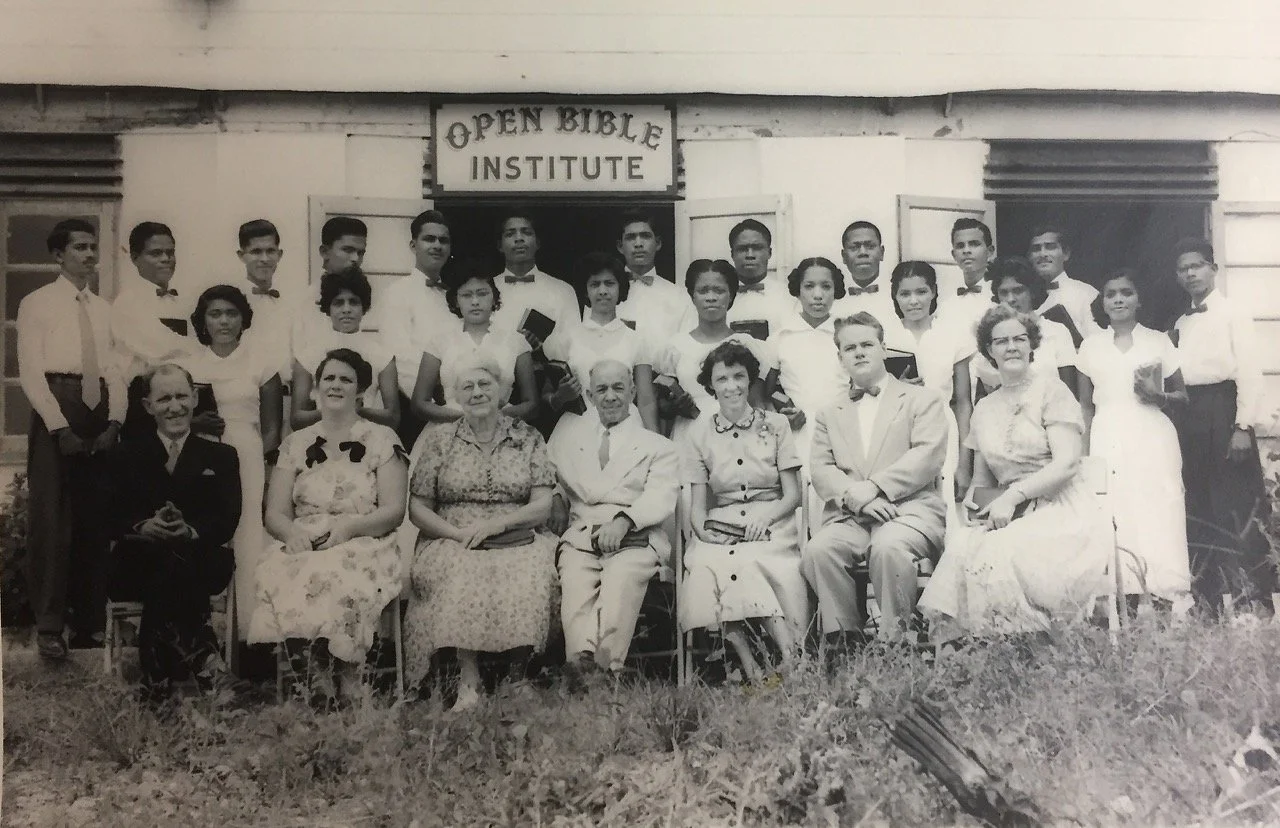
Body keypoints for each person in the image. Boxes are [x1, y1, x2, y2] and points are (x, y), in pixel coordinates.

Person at [918, 306, 1111, 639]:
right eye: (1001, 341)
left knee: (1000, 550)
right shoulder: (984, 408)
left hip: (1062, 509)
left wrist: (1014, 496)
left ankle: (1024, 646)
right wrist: (976, 508)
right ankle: (979, 650)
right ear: (989, 351)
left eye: (1020, 339)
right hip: (1008, 512)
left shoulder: (1052, 390)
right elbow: (981, 480)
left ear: (1031, 346)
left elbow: (1067, 463)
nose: (1011, 347)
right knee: (962, 546)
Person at [249, 349, 408, 707]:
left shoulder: (383, 439)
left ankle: (350, 677)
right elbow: (274, 513)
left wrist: (350, 530)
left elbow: (395, 510)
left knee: (339, 571)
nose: (336, 385)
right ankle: (316, 680)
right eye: (329, 379)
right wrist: (292, 534)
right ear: (316, 389)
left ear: (361, 392)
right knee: (287, 568)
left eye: (346, 379)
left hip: (365, 538)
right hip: (305, 538)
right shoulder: (294, 443)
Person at [403, 353, 558, 710]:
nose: (477, 392)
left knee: (533, 567)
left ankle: (517, 677)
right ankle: (468, 682)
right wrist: (457, 535)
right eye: (468, 386)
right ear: (456, 395)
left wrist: (498, 524)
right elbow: (418, 507)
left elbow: (542, 505)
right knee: (459, 568)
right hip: (451, 535)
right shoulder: (440, 440)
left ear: (502, 392)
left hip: (515, 533)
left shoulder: (527, 437)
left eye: (485, 384)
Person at [801, 313, 949, 652]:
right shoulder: (829, 412)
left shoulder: (921, 399)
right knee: (818, 550)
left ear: (884, 349)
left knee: (889, 548)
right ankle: (844, 642)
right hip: (851, 515)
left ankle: (897, 641)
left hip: (907, 511)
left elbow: (927, 455)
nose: (859, 352)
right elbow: (821, 469)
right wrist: (860, 499)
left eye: (867, 344)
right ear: (840, 358)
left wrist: (876, 487)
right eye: (849, 348)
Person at [17, 219, 126, 659]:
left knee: (94, 520)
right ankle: (49, 626)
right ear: (58, 255)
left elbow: (115, 369)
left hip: (97, 410)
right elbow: (29, 370)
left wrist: (114, 423)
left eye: (92, 247)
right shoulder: (36, 303)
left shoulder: (104, 309)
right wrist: (58, 427)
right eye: (79, 247)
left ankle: (89, 625)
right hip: (56, 406)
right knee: (53, 521)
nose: (89, 255)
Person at [107, 364, 240, 701]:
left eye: (182, 396)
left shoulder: (221, 456)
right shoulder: (125, 454)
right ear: (148, 406)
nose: (175, 406)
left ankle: (157, 676)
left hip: (201, 557)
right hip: (139, 559)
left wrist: (191, 530)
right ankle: (204, 658)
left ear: (195, 399)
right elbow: (108, 515)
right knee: (167, 563)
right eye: (164, 398)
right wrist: (141, 526)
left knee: (176, 562)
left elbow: (226, 518)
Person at [678, 341, 808, 683]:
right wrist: (704, 532)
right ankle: (751, 668)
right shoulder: (698, 432)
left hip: (772, 520)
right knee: (709, 563)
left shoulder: (777, 425)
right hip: (723, 522)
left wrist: (765, 518)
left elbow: (793, 495)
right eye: (722, 379)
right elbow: (697, 507)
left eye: (739, 376)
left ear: (751, 380)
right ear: (711, 385)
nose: (732, 386)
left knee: (748, 562)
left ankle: (790, 658)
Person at [548, 359, 680, 676]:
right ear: (591, 396)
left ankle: (607, 669)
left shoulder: (658, 446)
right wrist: (555, 496)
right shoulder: (570, 439)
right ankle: (581, 669)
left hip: (635, 536)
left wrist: (624, 521)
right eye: (602, 389)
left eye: (619, 388)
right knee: (576, 589)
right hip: (581, 534)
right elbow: (546, 472)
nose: (610, 397)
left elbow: (661, 496)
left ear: (633, 392)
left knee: (619, 584)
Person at [177, 285, 283, 660]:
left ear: (243, 319)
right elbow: (169, 416)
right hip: (200, 455)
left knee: (249, 538)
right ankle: (203, 640)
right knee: (208, 536)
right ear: (203, 322)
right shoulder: (189, 365)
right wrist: (193, 422)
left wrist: (261, 465)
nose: (224, 321)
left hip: (248, 455)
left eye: (231, 313)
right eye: (215, 314)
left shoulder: (262, 362)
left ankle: (254, 642)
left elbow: (272, 429)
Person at [1169, 238, 1273, 615]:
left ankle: (1253, 604)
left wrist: (1243, 425)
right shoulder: (1180, 322)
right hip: (1191, 416)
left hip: (1225, 411)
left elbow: (1249, 371)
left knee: (1237, 506)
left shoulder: (1234, 312)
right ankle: (1208, 604)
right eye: (1183, 269)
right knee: (1198, 506)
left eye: (1197, 265)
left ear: (1214, 268)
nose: (1191, 273)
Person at [1078, 269, 1190, 609]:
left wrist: (1160, 396)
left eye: (1126, 292)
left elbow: (1183, 396)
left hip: (1152, 434)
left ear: (1138, 300)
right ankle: (1121, 596)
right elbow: (1085, 405)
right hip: (1107, 433)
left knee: (1157, 508)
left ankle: (1164, 594)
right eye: (1111, 294)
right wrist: (1084, 455)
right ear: (1103, 303)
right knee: (1113, 509)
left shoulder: (1158, 341)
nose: (1118, 299)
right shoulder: (1090, 344)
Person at [884, 261, 976, 504]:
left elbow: (963, 402)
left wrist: (964, 465)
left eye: (921, 292)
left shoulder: (953, 335)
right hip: (895, 429)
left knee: (944, 499)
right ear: (895, 296)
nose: (914, 301)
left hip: (942, 427)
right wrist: (897, 388)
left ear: (934, 292)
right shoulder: (883, 336)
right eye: (905, 294)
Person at [656, 259, 776, 442]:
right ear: (692, 296)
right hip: (690, 437)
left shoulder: (745, 344)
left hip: (738, 438)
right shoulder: (675, 347)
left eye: (719, 291)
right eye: (703, 291)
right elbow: (662, 406)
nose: (711, 297)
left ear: (731, 296)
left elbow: (756, 403)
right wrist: (676, 406)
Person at [408, 260, 538, 426]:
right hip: (451, 428)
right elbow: (419, 404)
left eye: (482, 293)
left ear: (494, 298)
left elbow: (532, 405)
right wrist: (465, 417)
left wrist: (495, 416)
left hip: (502, 426)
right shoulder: (439, 341)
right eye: (467, 295)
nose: (475, 301)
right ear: (456, 300)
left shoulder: (516, 341)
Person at [542, 251, 660, 431]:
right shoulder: (565, 338)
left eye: (610, 283)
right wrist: (560, 396)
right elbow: (547, 395)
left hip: (626, 427)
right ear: (585, 291)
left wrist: (654, 443)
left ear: (620, 288)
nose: (603, 291)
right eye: (595, 284)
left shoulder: (636, 339)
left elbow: (646, 400)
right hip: (578, 429)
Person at [111, 221, 198, 441]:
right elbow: (161, 350)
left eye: (170, 252)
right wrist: (200, 351)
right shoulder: (127, 302)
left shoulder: (183, 302)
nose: (166, 259)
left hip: (181, 404)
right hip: (145, 405)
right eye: (156, 253)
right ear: (135, 258)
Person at [381, 210, 458, 449]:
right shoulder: (397, 293)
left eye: (443, 240)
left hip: (456, 402)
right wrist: (434, 403)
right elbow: (399, 356)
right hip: (418, 408)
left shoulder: (454, 295)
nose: (437, 245)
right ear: (414, 245)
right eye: (429, 239)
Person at [291, 267, 399, 431]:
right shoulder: (309, 354)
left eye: (354, 302)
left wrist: (358, 411)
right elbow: (297, 419)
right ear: (328, 308)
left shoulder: (382, 356)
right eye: (338, 303)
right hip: (319, 439)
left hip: (366, 437)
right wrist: (333, 411)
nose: (346, 309)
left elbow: (393, 417)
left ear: (364, 306)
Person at [767, 257, 848, 464]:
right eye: (809, 286)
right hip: (796, 432)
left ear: (835, 290)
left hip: (843, 432)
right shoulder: (782, 336)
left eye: (826, 286)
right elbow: (765, 391)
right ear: (798, 289)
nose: (818, 295)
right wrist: (783, 414)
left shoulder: (846, 334)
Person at [977, 257, 1079, 395]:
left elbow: (1070, 391)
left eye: (1018, 291)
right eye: (1004, 292)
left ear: (1032, 291)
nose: (1011, 299)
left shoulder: (1056, 331)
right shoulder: (991, 335)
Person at [486, 211, 579, 355]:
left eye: (526, 232)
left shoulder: (563, 290)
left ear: (538, 243)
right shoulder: (486, 290)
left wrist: (544, 346)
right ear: (500, 246)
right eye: (510, 234)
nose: (519, 239)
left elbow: (575, 345)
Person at [235, 219, 302, 389]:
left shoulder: (291, 304)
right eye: (256, 252)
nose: (264, 259)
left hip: (286, 394)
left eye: (270, 251)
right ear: (242, 256)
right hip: (246, 394)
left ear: (279, 255)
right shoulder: (232, 302)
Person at [614, 211, 691, 358]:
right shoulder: (605, 294)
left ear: (658, 243)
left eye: (645, 236)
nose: (638, 244)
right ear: (620, 246)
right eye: (631, 238)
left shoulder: (678, 295)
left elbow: (686, 345)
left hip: (665, 379)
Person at [1027, 225, 1100, 346]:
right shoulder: (1025, 296)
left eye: (1050, 247)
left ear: (1066, 254)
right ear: (1030, 257)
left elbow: (1097, 343)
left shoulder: (1085, 293)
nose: (1043, 254)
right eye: (1036, 249)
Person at [726, 219, 790, 337]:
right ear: (732, 254)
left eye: (757, 248)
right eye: (742, 249)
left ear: (769, 253)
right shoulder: (719, 298)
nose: (750, 255)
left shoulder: (788, 297)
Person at [942, 217, 997, 337]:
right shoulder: (948, 303)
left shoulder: (1000, 295)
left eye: (974, 244)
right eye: (960, 246)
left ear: (990, 251)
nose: (966, 250)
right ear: (954, 255)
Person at [832, 221, 896, 322]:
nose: (863, 252)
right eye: (854, 247)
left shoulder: (900, 295)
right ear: (844, 256)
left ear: (881, 252)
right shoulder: (831, 301)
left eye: (870, 246)